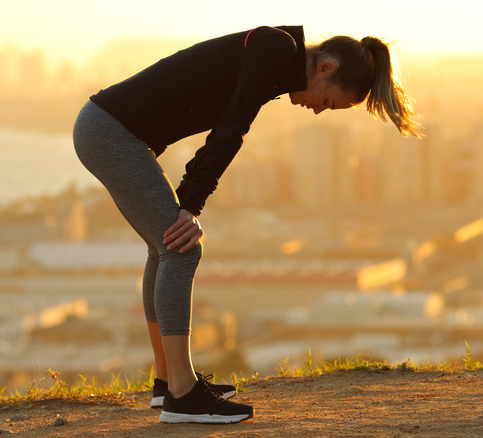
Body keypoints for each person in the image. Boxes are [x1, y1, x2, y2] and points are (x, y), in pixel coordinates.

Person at [73, 25, 421, 424]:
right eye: (328, 100)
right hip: (111, 132)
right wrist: (189, 206)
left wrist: (187, 203)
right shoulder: (275, 48)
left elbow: (225, 123)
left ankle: (168, 382)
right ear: (325, 67)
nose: (319, 110)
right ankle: (182, 395)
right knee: (181, 247)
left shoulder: (276, 57)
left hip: (109, 129)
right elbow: (231, 128)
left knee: (164, 245)